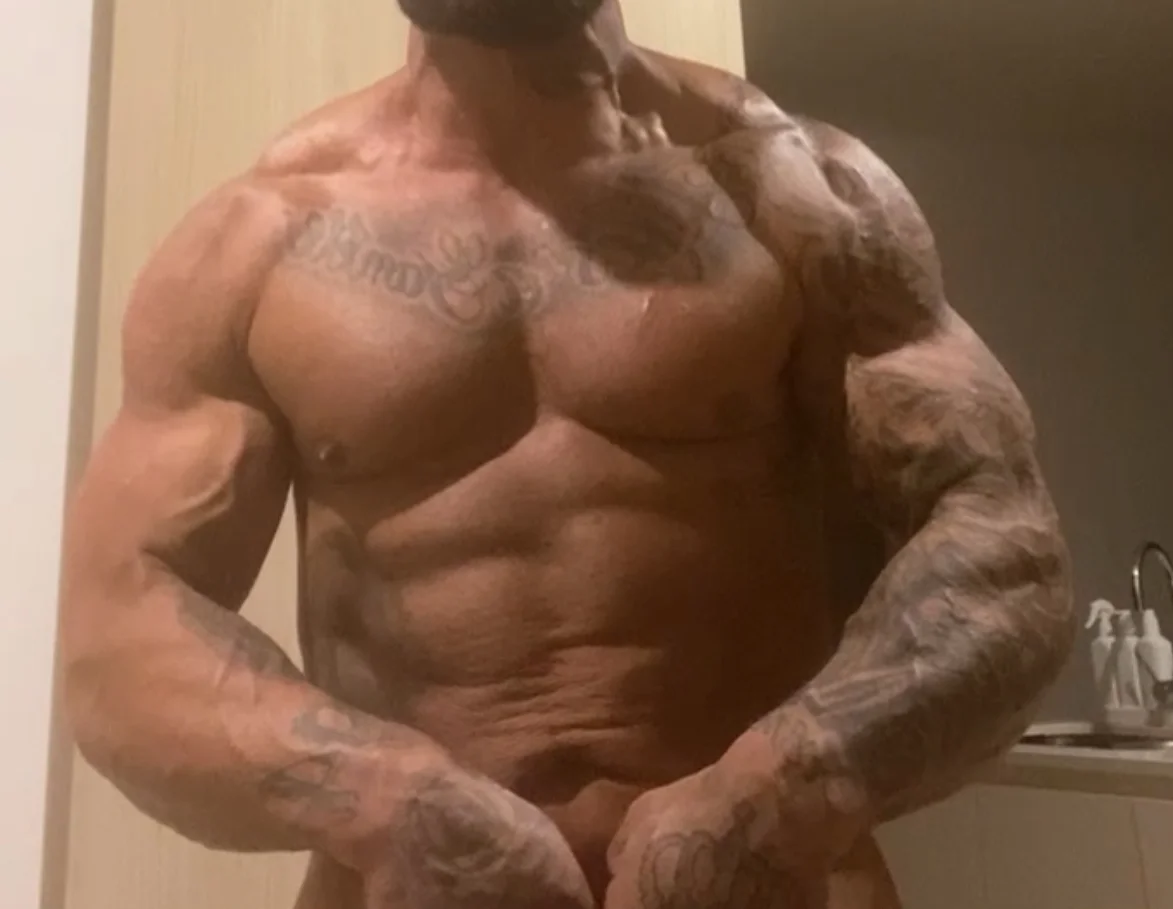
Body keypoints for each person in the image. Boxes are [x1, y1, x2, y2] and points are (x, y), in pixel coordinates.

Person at [59, 1, 1076, 908]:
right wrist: (391, 803)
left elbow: (1008, 547)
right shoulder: (260, 238)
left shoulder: (797, 192)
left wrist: (783, 788)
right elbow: (118, 628)